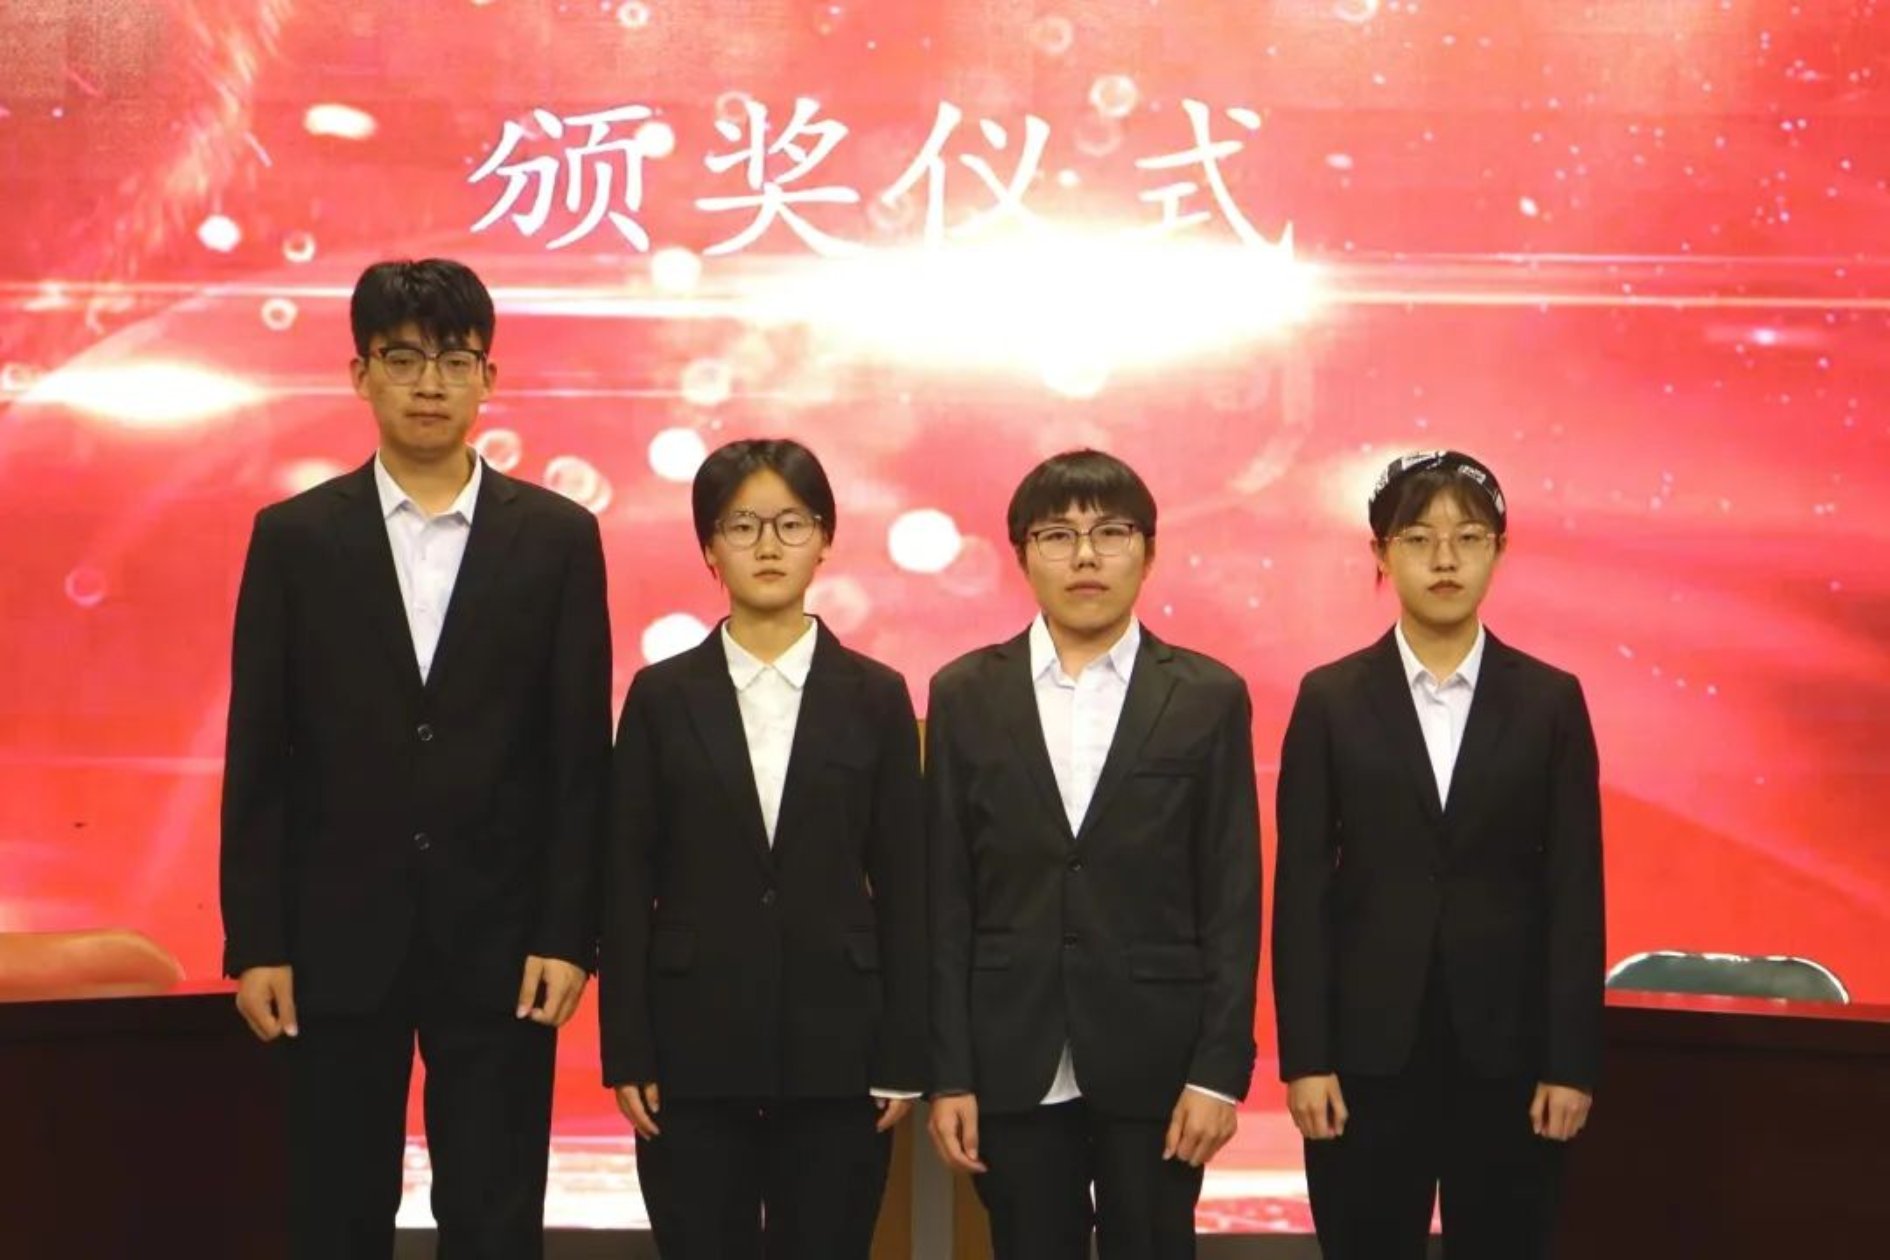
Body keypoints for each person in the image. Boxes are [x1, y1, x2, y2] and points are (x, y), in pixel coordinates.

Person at [219, 258, 612, 1260]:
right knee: (335, 1211)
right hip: (334, 939)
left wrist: (569, 934)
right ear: (361, 374)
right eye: (403, 359)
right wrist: (257, 940)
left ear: (489, 378)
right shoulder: (294, 538)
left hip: (505, 939)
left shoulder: (558, 538)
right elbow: (261, 750)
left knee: (494, 1214)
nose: (430, 383)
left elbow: (577, 753)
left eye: (454, 360)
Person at [925, 448, 1262, 1260]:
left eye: (1110, 533)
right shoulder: (965, 693)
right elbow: (945, 896)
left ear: (1149, 551)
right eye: (1057, 535)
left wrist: (1218, 1072)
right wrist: (950, 1072)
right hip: (1011, 1053)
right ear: (1022, 555)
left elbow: (1232, 895)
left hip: (1159, 1060)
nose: (1085, 556)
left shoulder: (1207, 696)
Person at [1272, 449, 1604, 1259]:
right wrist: (1306, 1060)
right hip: (1365, 1060)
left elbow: (1575, 890)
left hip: (1512, 1061)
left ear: (1499, 550)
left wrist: (1570, 1064)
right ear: (1382, 554)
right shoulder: (1330, 699)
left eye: (1468, 538)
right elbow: (1302, 894)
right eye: (1419, 539)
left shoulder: (1550, 700)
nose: (1445, 559)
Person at [598, 438, 926, 1260]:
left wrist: (904, 1051)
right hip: (690, 1049)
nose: (769, 545)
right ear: (710, 548)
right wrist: (628, 1049)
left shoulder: (878, 696)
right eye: (742, 526)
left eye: (792, 523)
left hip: (841, 1051)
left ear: (825, 540)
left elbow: (907, 886)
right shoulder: (661, 696)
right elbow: (625, 877)